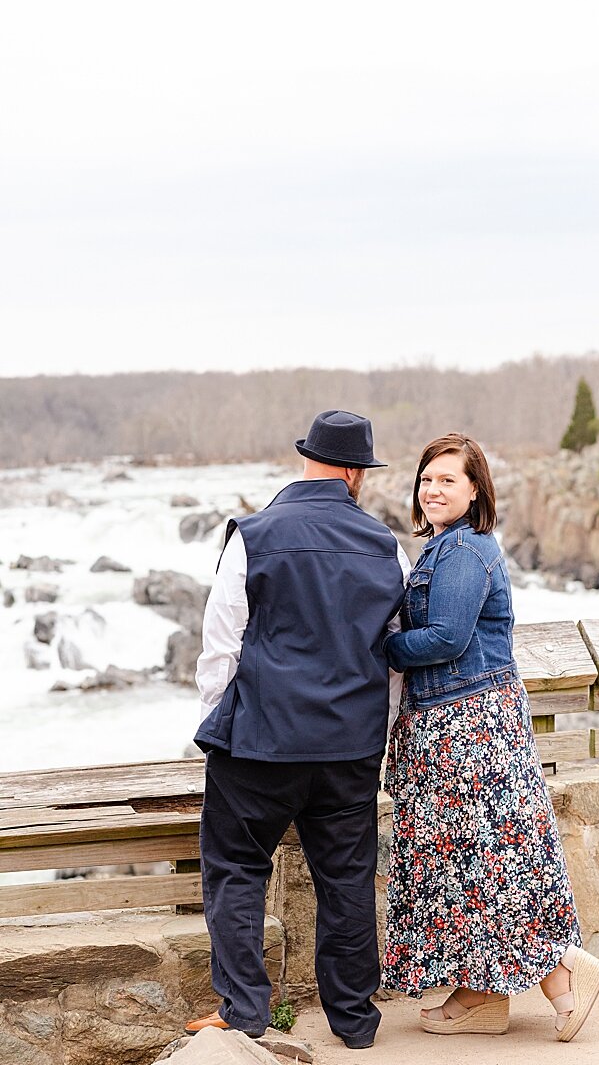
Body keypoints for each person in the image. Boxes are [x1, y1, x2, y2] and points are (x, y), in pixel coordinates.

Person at [186, 410, 408, 1050]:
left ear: (307, 462)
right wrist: (378, 730)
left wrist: (217, 725)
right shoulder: (384, 545)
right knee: (346, 879)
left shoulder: (251, 536)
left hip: (260, 743)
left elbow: (221, 648)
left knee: (235, 868)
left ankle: (246, 1013)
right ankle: (355, 1023)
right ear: (353, 473)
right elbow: (392, 653)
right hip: (349, 747)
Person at [381, 432, 599, 1041]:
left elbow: (447, 638)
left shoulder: (464, 552)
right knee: (473, 868)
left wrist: (376, 648)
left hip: (472, 727)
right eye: (426, 479)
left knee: (492, 867)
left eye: (447, 480)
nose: (432, 490)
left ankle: (564, 979)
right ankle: (482, 997)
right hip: (455, 721)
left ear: (476, 489)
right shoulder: (445, 547)